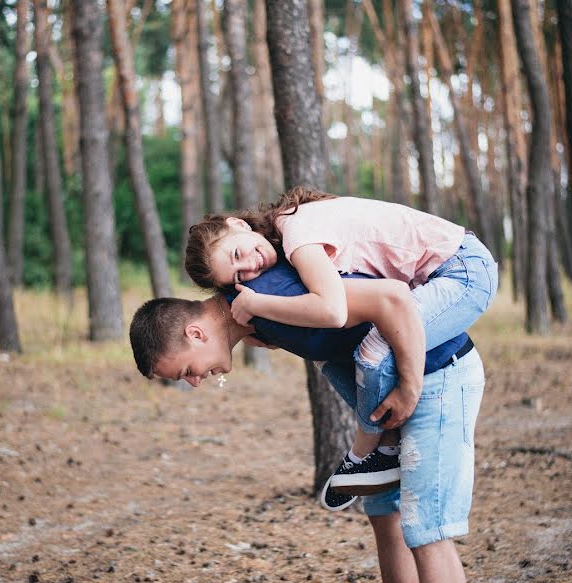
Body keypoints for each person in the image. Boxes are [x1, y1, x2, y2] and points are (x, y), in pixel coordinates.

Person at [129, 263, 485, 583]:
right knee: (383, 510)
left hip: (435, 376)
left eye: (186, 371)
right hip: (390, 400)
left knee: (427, 531)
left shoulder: (269, 293)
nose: (194, 382)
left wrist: (409, 388)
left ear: (195, 333)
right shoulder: (254, 322)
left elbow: (390, 298)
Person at [183, 188, 497, 499]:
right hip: (440, 271)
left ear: (238, 224)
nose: (251, 268)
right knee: (333, 358)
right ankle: (385, 447)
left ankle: (364, 451)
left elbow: (333, 311)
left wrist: (256, 304)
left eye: (237, 254)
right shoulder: (281, 235)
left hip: (463, 270)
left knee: (374, 352)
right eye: (238, 274)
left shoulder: (296, 235)